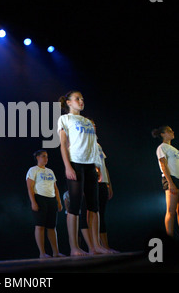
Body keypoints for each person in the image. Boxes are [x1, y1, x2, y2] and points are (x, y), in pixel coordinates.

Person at [58, 90, 109, 255]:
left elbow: (93, 145)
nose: (81, 101)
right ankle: (74, 247)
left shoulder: (87, 121)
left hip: (90, 165)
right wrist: (68, 166)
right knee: (74, 206)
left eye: (82, 98)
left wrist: (97, 167)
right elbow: (63, 144)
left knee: (94, 207)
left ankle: (96, 246)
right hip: (75, 164)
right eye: (77, 98)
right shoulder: (65, 119)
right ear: (68, 102)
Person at [152, 125, 179, 248]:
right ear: (162, 134)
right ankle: (169, 243)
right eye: (169, 131)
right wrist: (170, 182)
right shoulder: (162, 148)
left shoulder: (175, 150)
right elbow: (163, 165)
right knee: (171, 211)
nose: (172, 132)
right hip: (171, 179)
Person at [26, 150, 64, 258]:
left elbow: (55, 188)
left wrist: (59, 201)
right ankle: (42, 253)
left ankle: (56, 252)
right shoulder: (33, 170)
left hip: (51, 199)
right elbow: (30, 187)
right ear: (37, 157)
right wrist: (33, 202)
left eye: (47, 157)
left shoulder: (50, 171)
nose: (46, 158)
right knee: (40, 226)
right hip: (39, 198)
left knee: (52, 226)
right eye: (43, 156)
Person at [92, 120, 119, 253]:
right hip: (93, 182)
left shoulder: (98, 145)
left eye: (94, 125)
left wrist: (109, 184)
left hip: (103, 182)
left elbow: (104, 165)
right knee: (93, 214)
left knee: (101, 214)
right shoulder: (86, 143)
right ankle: (94, 246)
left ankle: (105, 246)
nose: (94, 126)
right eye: (91, 124)